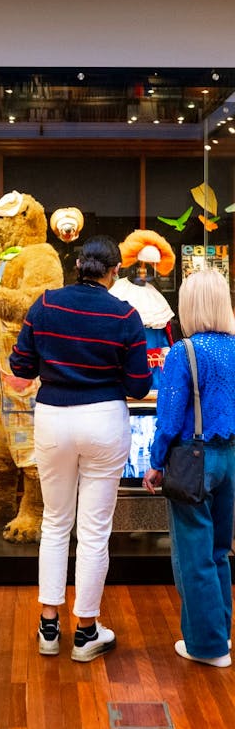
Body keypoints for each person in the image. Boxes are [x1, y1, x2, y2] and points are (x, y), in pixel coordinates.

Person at [9, 234, 152, 661]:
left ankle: (48, 626)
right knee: (94, 532)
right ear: (114, 272)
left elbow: (21, 365)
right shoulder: (125, 314)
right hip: (104, 421)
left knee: (55, 523)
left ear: (77, 266)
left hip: (53, 417)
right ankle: (86, 631)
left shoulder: (46, 304)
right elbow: (140, 384)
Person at [143, 268, 235, 668]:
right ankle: (221, 636)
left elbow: (169, 416)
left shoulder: (184, 352)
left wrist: (155, 463)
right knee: (219, 552)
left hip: (192, 460)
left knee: (193, 554)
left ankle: (207, 646)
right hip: (231, 457)